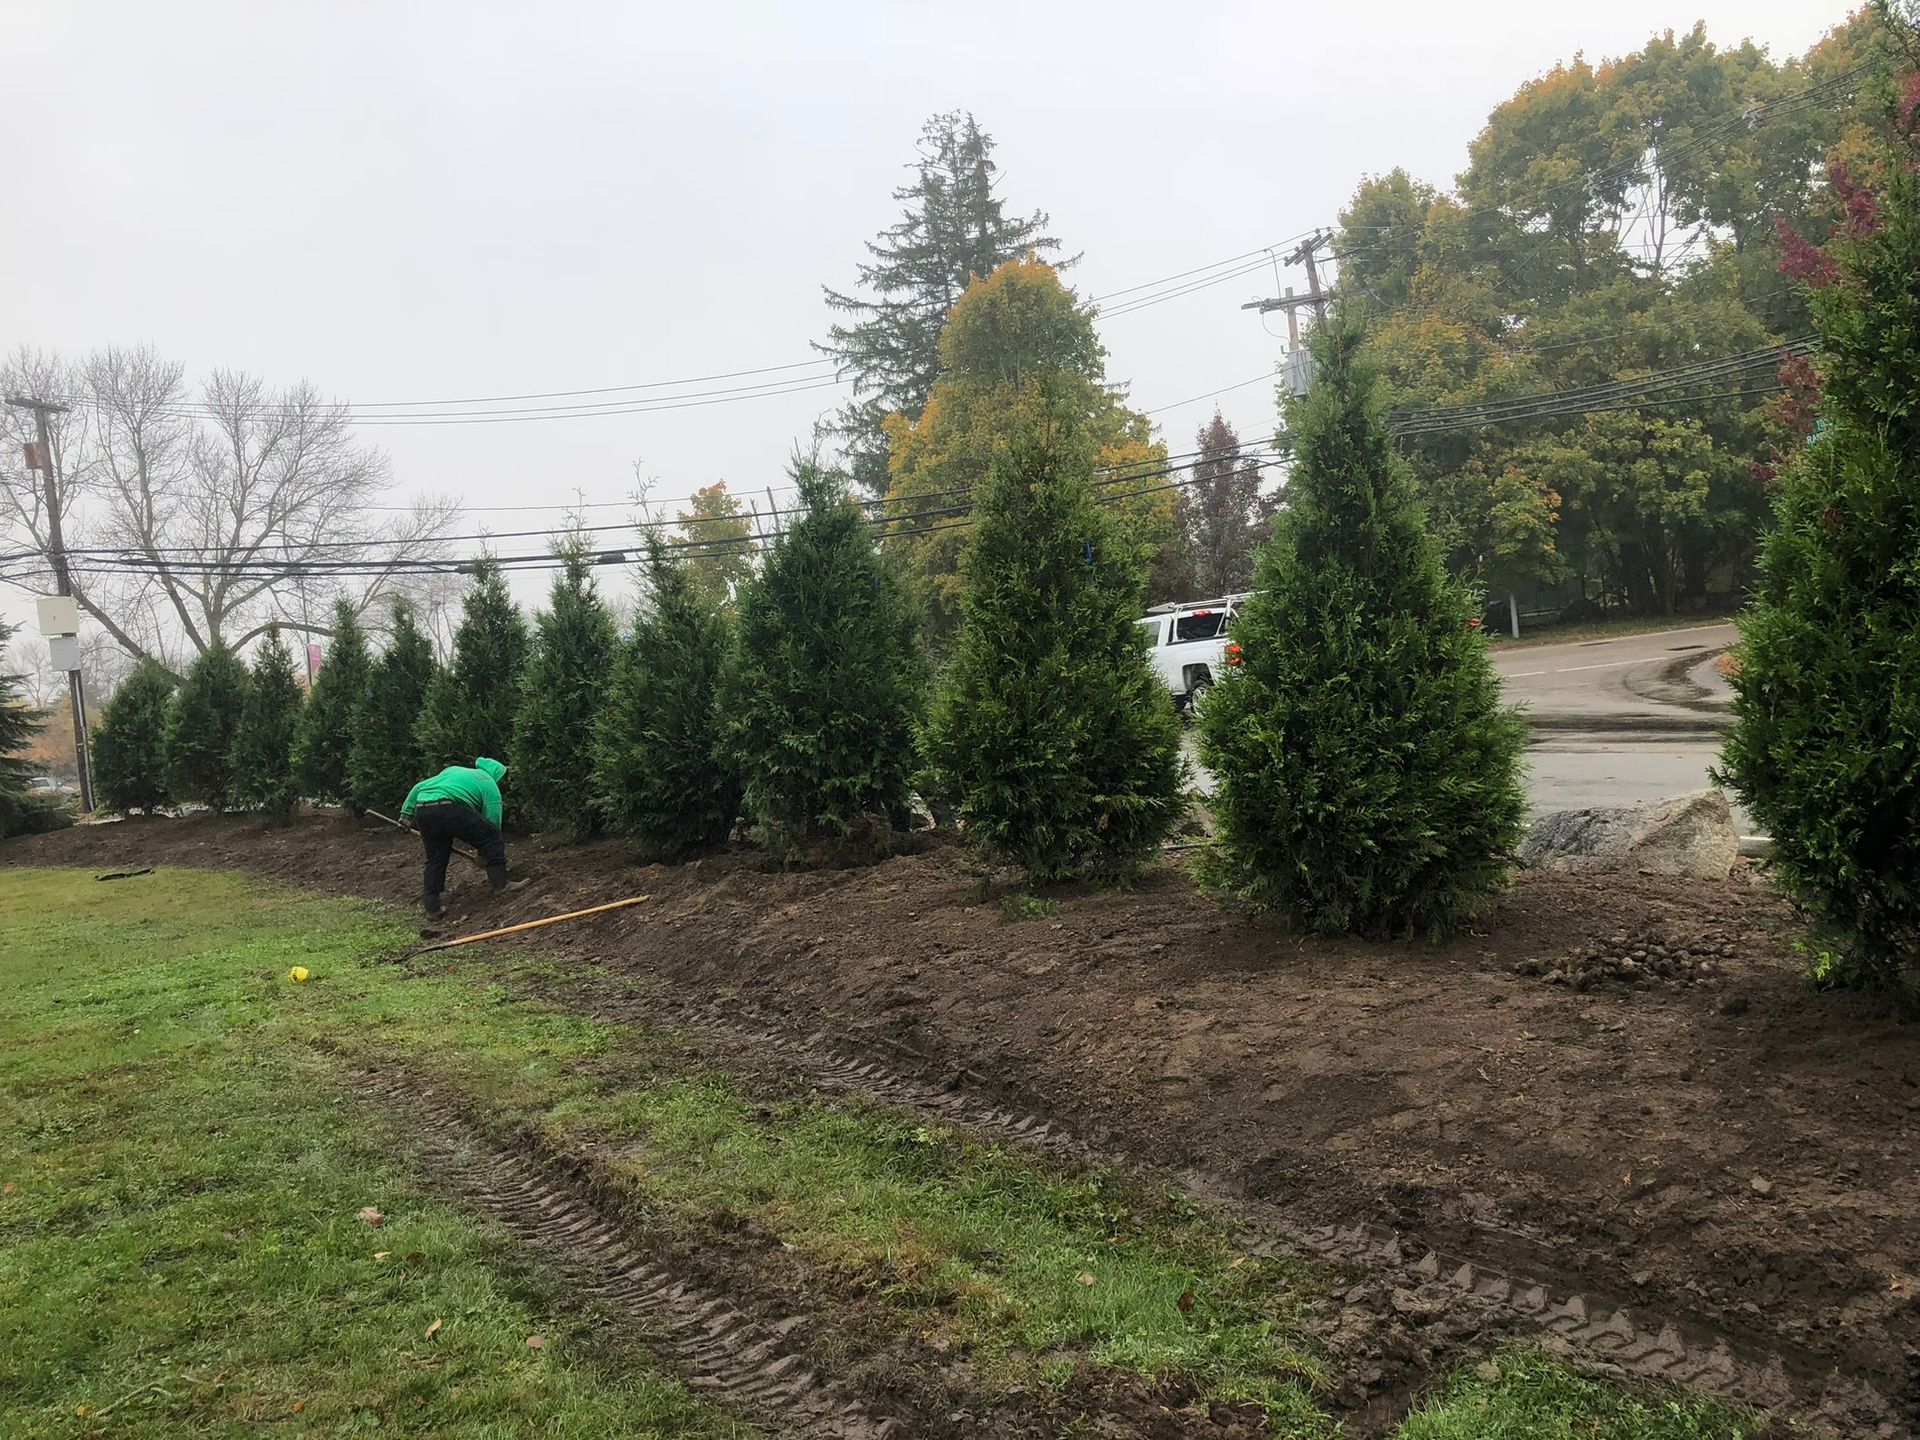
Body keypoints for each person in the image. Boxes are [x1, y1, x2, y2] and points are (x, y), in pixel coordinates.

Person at [399, 756, 528, 921]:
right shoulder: (489, 783)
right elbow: (493, 821)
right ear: (496, 775)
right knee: (492, 837)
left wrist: (405, 815)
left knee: (436, 857)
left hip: (424, 810)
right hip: (450, 807)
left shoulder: (453, 771)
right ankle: (501, 885)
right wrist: (485, 854)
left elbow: (418, 787)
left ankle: (432, 908)